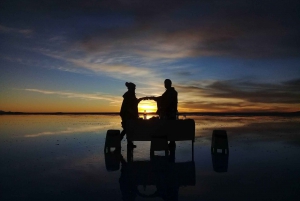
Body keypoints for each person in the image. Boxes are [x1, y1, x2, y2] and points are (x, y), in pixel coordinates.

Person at [120, 82, 143, 148]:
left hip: (128, 114)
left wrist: (139, 100)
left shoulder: (131, 94)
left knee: (128, 129)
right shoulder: (129, 95)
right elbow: (128, 107)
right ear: (131, 88)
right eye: (134, 88)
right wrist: (134, 115)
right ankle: (119, 141)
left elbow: (134, 103)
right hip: (126, 114)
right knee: (127, 128)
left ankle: (129, 143)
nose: (134, 89)